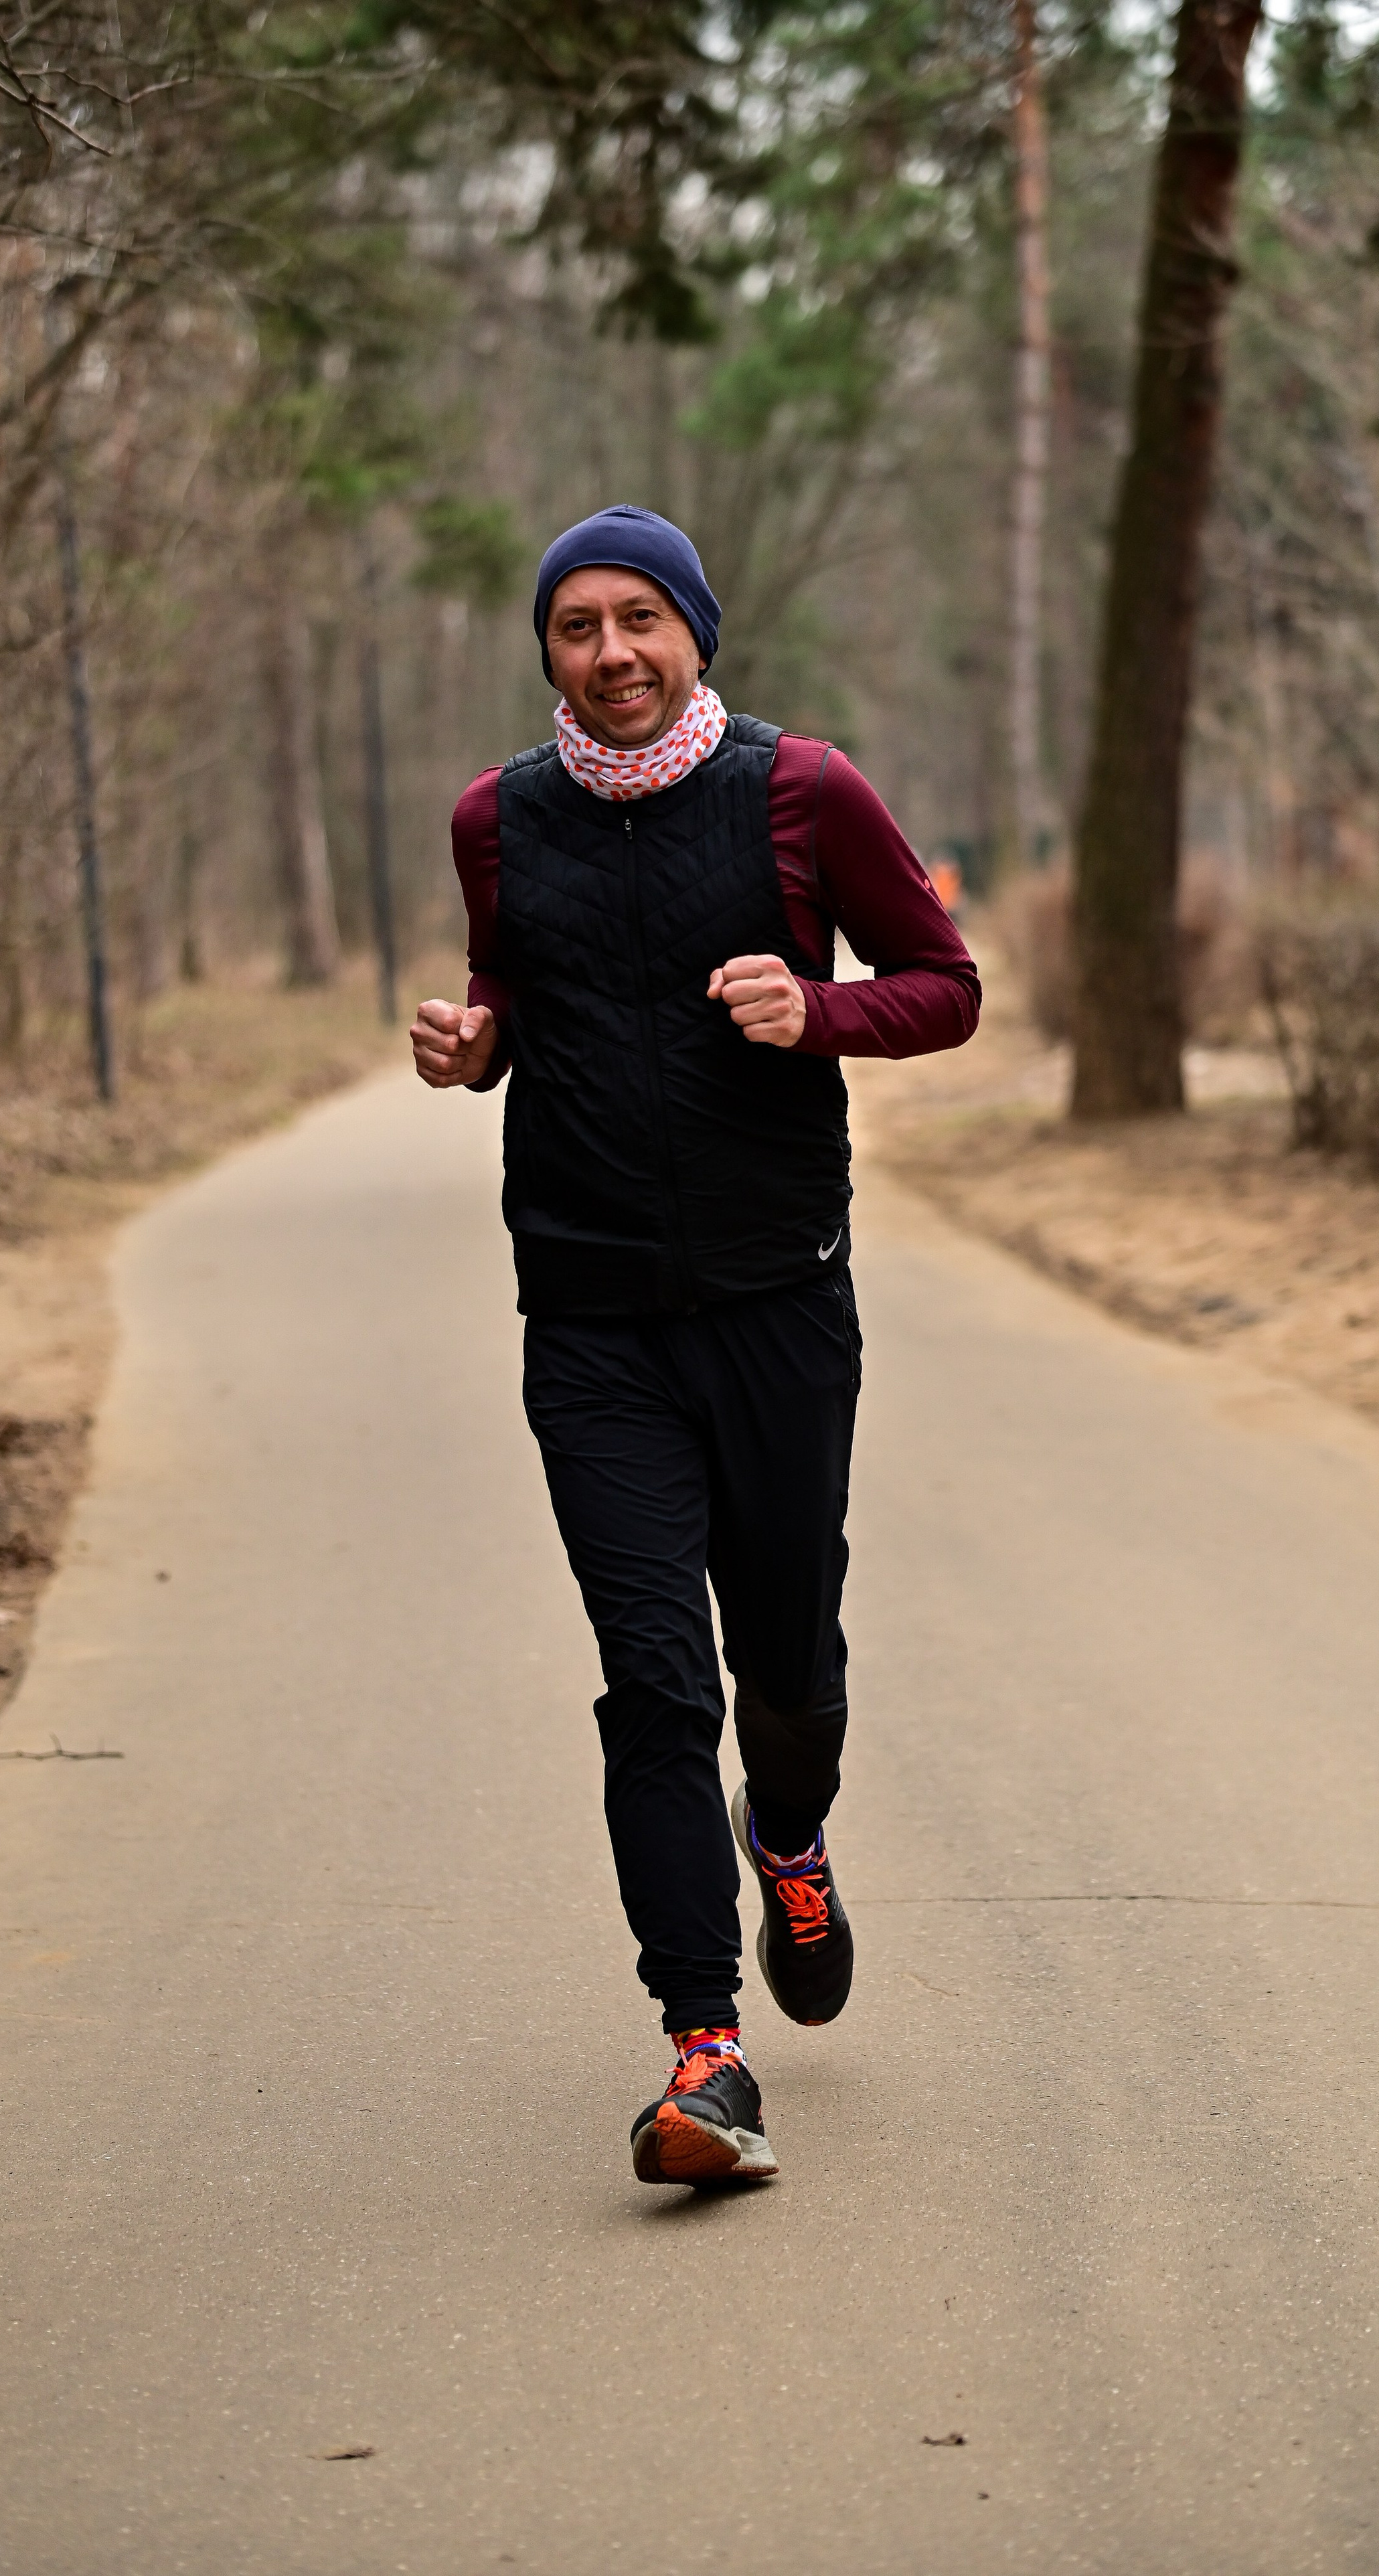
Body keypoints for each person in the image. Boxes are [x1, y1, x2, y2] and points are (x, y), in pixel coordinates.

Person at [411, 504, 979, 2186]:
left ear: (694, 635)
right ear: (546, 653)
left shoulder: (803, 792)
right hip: (588, 1318)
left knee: (782, 1669)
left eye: (637, 619)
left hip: (777, 1300)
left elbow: (942, 982)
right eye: (575, 625)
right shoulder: (495, 820)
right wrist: (476, 1044)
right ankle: (702, 2051)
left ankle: (787, 1833)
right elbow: (517, 990)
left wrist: (825, 1012)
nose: (608, 653)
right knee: (653, 1684)